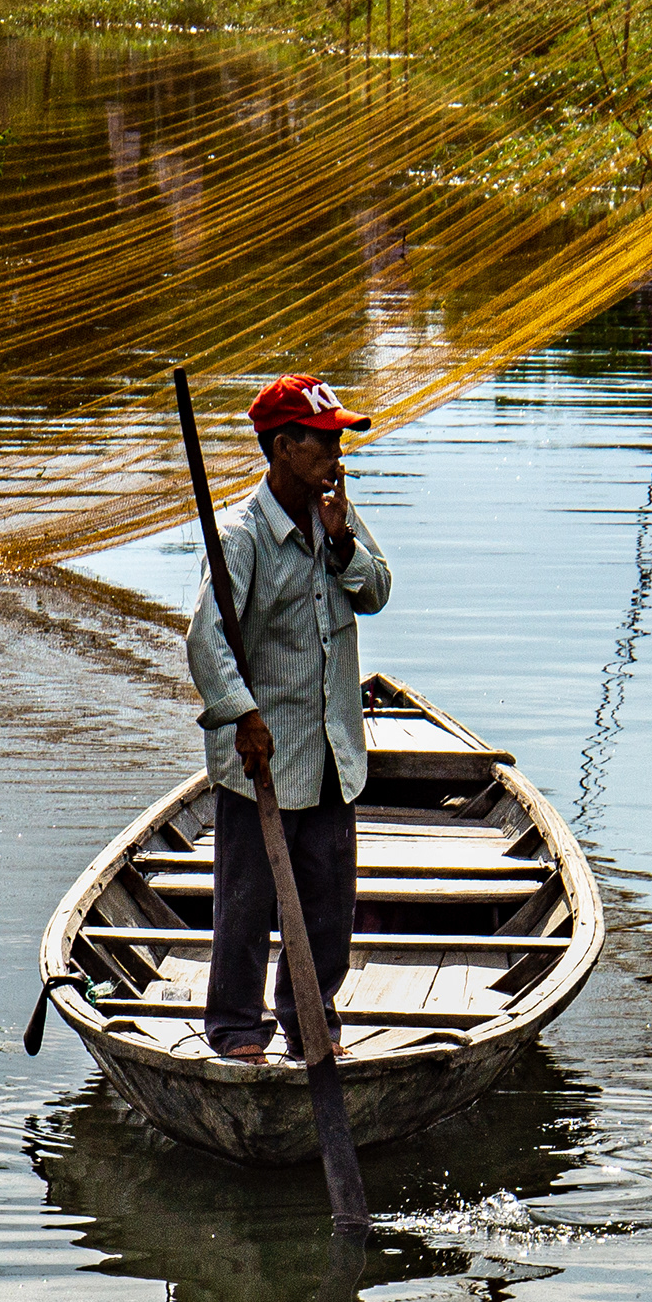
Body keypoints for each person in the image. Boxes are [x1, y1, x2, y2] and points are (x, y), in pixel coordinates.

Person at [186, 375, 391, 1063]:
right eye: (324, 441)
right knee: (246, 906)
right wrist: (242, 716)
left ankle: (311, 1020)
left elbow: (377, 591)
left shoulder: (336, 515)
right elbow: (207, 639)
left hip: (331, 753)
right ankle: (239, 1031)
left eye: (338, 440)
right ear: (283, 447)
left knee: (329, 908)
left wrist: (341, 546)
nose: (337, 454)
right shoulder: (242, 537)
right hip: (263, 760)